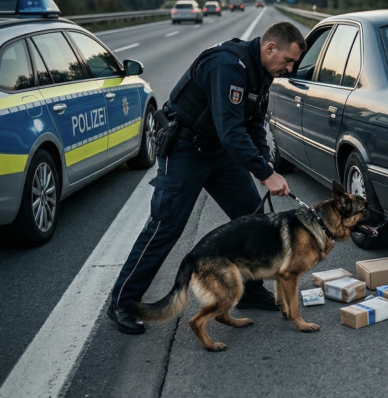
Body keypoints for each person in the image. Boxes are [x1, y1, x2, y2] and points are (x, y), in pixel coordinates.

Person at [106, 22, 307, 335]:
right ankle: (123, 302)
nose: (290, 68)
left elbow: (253, 123)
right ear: (270, 48)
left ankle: (251, 292)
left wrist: (265, 160)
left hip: (220, 153)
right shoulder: (227, 66)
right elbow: (231, 130)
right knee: (166, 225)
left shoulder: (263, 72)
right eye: (288, 60)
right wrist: (266, 174)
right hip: (186, 148)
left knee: (252, 217)